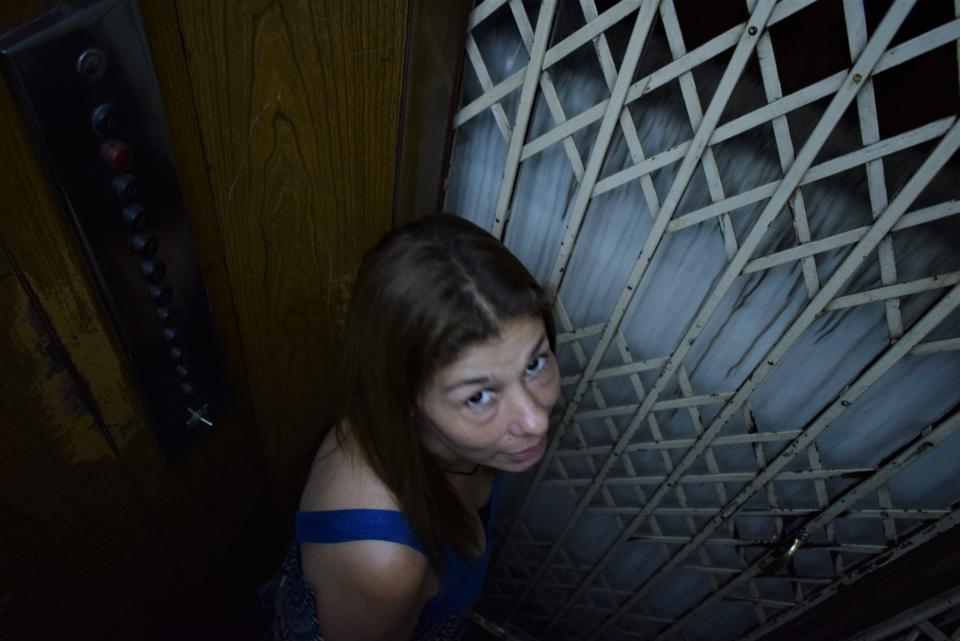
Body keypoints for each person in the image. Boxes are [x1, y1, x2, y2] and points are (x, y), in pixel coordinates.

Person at [261, 214, 562, 641]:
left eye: (534, 364)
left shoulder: (459, 438)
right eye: (479, 396)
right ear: (405, 403)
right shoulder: (383, 564)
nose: (536, 419)